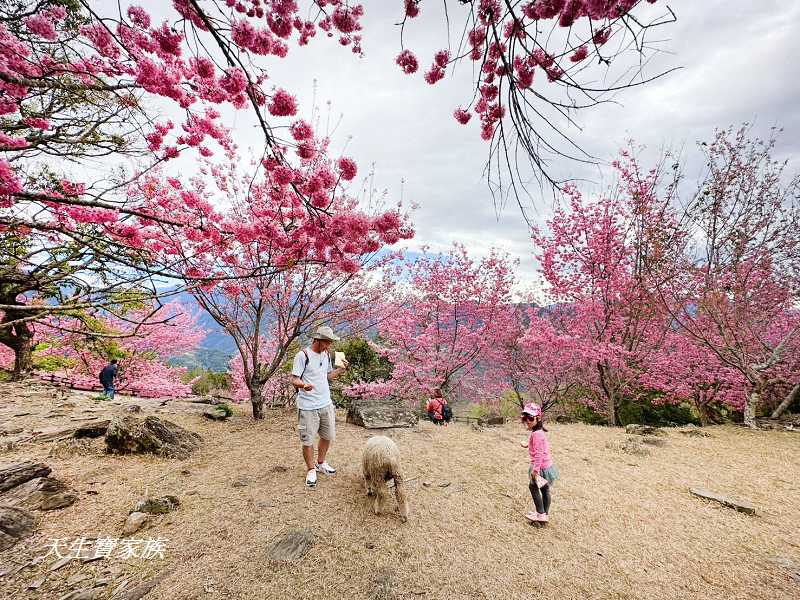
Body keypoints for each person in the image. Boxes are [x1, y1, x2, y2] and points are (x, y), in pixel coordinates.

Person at [289, 326, 349, 488]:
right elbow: (294, 379)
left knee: (327, 436)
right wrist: (303, 385)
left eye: (330, 342)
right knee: (308, 440)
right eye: (327, 342)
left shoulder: (326, 354)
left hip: (325, 403)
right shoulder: (303, 355)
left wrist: (340, 370)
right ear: (318, 340)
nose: (329, 345)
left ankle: (320, 463)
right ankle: (310, 469)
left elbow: (327, 376)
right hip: (308, 406)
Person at [519, 403, 559, 523]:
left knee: (533, 487)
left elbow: (539, 454)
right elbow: (539, 446)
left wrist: (535, 471)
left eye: (531, 418)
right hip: (547, 466)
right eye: (525, 418)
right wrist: (528, 444)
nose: (528, 421)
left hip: (540, 467)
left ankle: (540, 514)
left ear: (538, 418)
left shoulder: (537, 434)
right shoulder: (538, 431)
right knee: (545, 489)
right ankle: (544, 514)